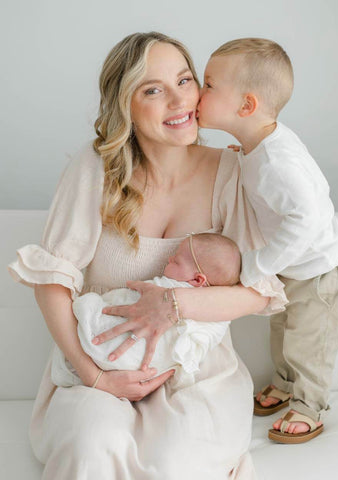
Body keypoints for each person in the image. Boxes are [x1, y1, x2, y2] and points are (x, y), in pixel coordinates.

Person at [8, 32, 287, 479]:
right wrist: (94, 376)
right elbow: (51, 280)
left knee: (173, 462)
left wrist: (174, 304)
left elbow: (258, 292)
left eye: (185, 80)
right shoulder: (96, 168)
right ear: (126, 106)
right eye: (153, 90)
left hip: (196, 374)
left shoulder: (232, 171)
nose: (179, 101)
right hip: (100, 366)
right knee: (90, 447)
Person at [198, 37, 338, 444]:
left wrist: (259, 264)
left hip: (322, 274)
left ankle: (309, 405)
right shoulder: (258, 146)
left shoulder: (276, 162)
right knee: (283, 333)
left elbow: (307, 217)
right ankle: (284, 383)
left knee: (309, 344)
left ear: (246, 106)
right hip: (296, 270)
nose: (198, 92)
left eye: (209, 85)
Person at [51, 233, 241, 389]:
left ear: (197, 280)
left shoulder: (166, 289)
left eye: (176, 261)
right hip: (138, 373)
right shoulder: (218, 322)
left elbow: (122, 299)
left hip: (116, 357)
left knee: (89, 305)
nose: (169, 259)